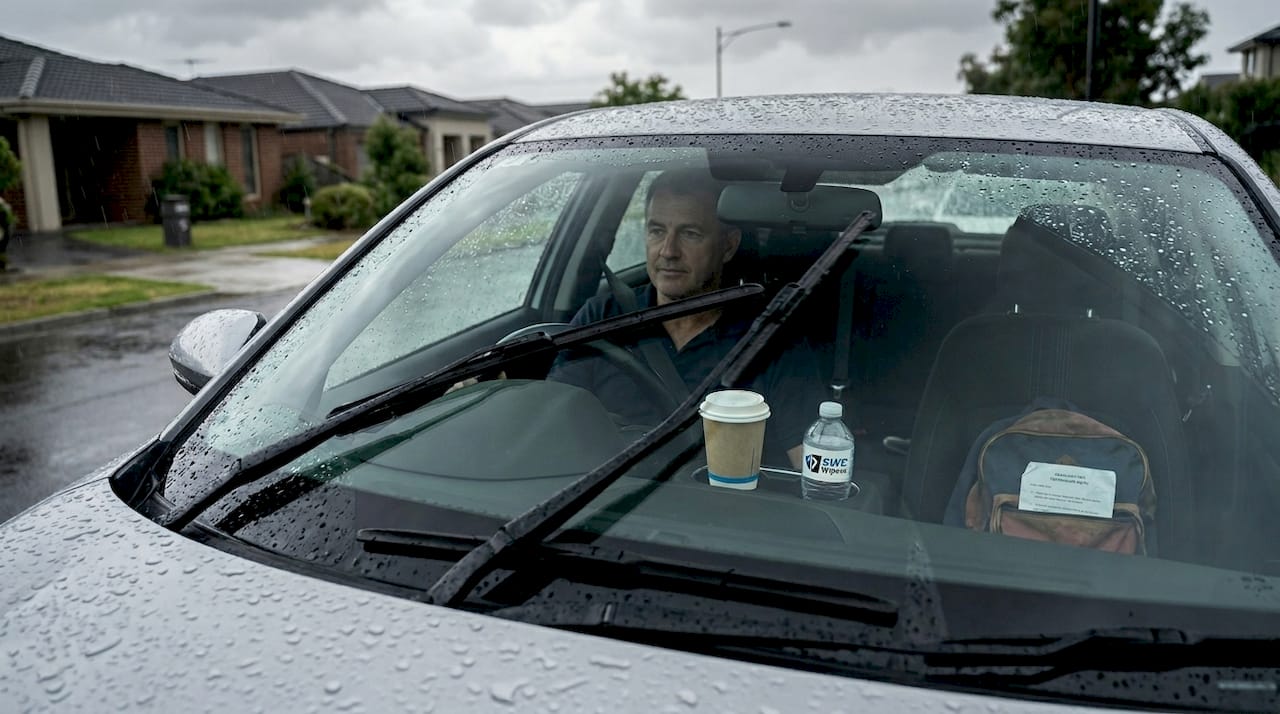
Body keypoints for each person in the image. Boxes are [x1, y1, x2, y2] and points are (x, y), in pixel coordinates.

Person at [547, 168, 827, 469]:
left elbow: (814, 471)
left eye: (690, 234)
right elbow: (550, 429)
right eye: (656, 231)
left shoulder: (770, 339)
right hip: (593, 503)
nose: (668, 251)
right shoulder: (602, 318)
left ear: (728, 245)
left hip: (721, 510)